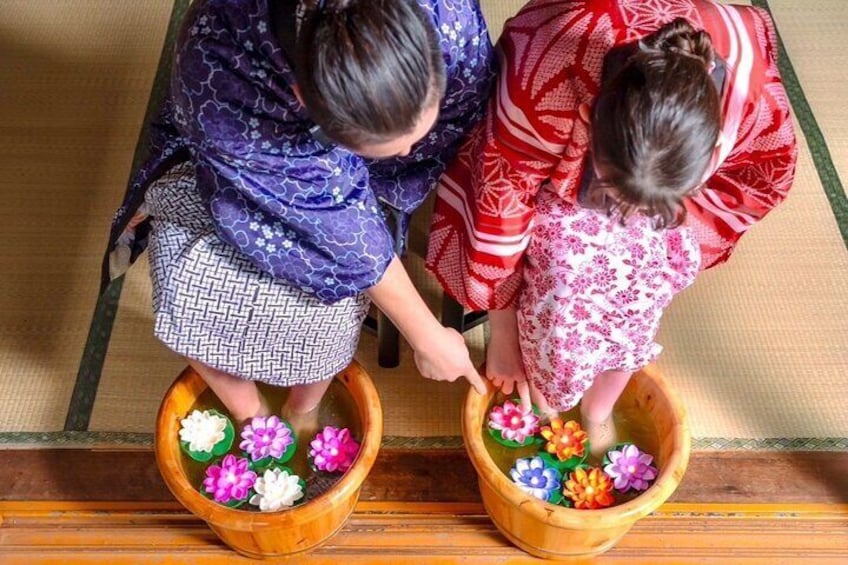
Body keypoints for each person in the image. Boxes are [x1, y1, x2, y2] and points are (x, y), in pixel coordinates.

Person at [102, 0, 495, 429]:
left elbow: (467, 107)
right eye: (391, 144)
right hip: (264, 169)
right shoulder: (219, 69)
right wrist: (426, 335)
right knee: (194, 296)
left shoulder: (446, 16)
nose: (407, 150)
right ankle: (253, 413)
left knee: (332, 322)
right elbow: (338, 228)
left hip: (335, 159)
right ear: (302, 97)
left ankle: (303, 407)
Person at [426, 0, 797, 455]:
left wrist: (666, 261)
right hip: (560, 193)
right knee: (563, 289)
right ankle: (551, 384)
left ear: (716, 142)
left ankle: (599, 406)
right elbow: (498, 203)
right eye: (617, 193)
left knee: (640, 303)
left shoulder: (743, 80)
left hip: (656, 177)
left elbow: (760, 175)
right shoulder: (545, 79)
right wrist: (503, 332)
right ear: (586, 122)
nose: (629, 217)